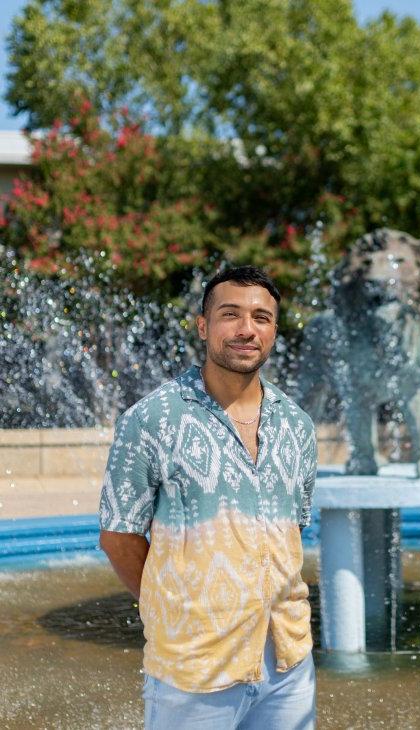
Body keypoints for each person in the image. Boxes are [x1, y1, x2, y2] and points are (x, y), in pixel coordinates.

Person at [98, 265, 318, 729]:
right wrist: (173, 607)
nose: (246, 329)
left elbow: (289, 532)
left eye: (261, 317)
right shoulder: (151, 420)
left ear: (274, 330)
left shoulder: (297, 425)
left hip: (287, 662)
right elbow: (119, 536)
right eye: (230, 314)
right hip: (194, 668)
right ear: (203, 326)